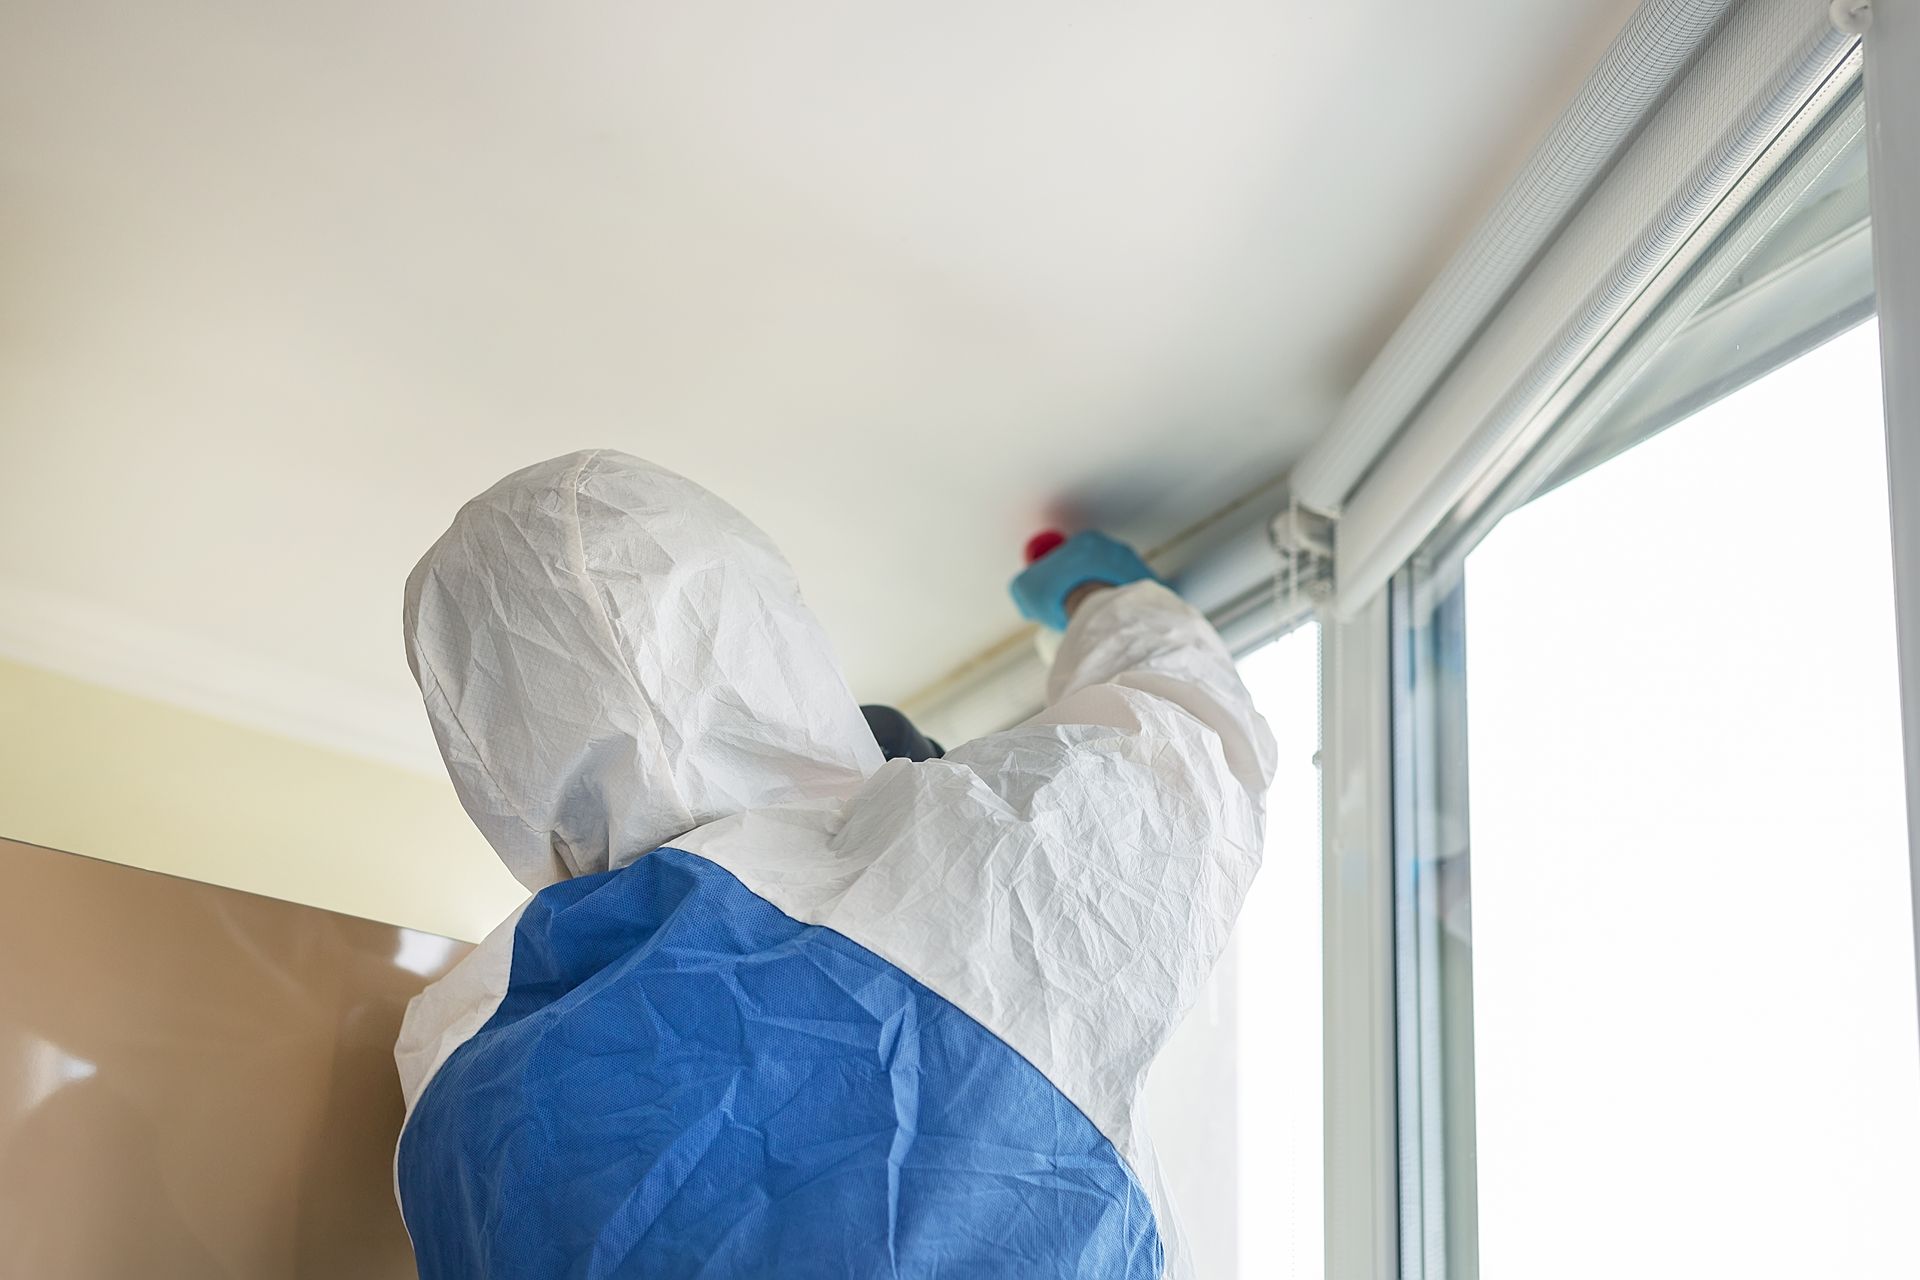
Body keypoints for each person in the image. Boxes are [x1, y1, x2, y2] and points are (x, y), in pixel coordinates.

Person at [393, 450, 1276, 1279]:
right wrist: (1107, 596)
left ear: (489, 758)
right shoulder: (967, 868)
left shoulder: (449, 1068)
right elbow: (1187, 740)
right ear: (768, 630)